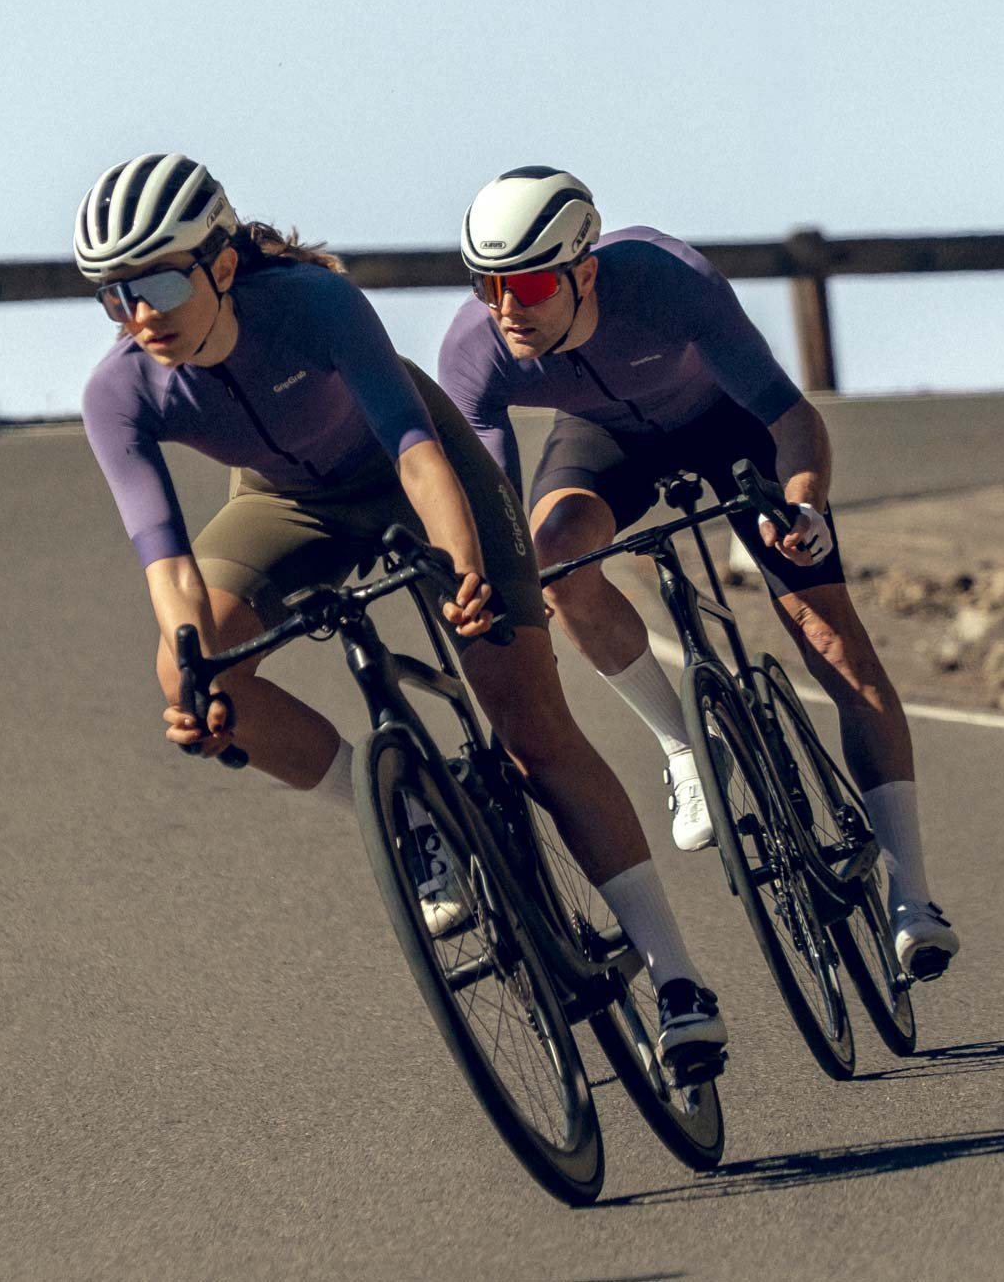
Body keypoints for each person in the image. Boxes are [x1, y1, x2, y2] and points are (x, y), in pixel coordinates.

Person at [73, 153, 727, 1066]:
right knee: (184, 664)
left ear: (221, 265)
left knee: (533, 729)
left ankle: (675, 977)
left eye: (160, 279)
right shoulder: (118, 392)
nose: (139, 312)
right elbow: (167, 562)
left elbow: (417, 451)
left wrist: (464, 566)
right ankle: (411, 817)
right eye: (112, 293)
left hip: (416, 476)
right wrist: (192, 671)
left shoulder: (311, 305)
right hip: (286, 501)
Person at [437, 167, 959, 981]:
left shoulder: (669, 280)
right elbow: (496, 515)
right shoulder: (476, 350)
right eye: (487, 284)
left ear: (584, 270)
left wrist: (806, 505)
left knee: (829, 634)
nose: (506, 307)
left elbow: (789, 416)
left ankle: (913, 894)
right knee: (553, 562)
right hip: (604, 438)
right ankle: (683, 742)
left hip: (726, 422)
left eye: (529, 283)